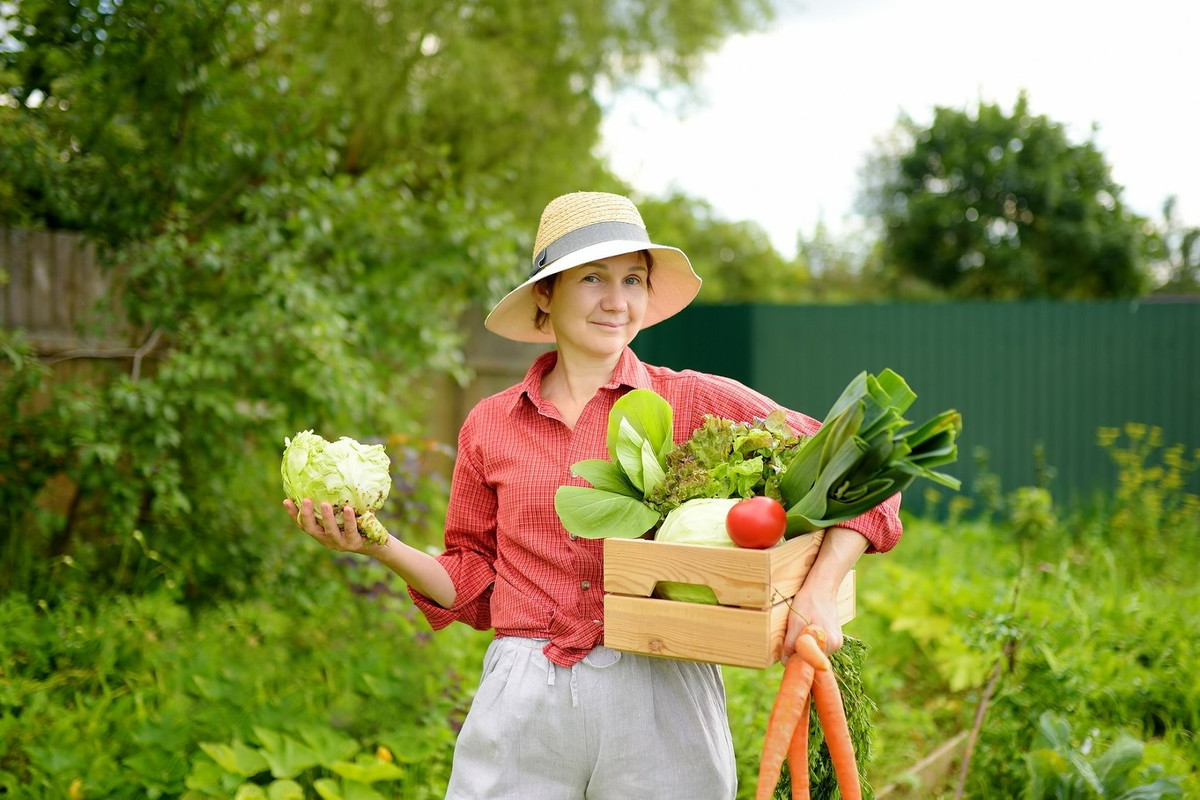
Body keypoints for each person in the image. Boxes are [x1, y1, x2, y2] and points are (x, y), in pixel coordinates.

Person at [284, 191, 902, 799]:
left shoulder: (691, 401)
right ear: (546, 295)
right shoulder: (490, 423)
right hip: (524, 691)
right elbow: (473, 585)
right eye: (593, 279)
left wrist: (819, 591)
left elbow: (871, 466)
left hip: (663, 681)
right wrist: (379, 545)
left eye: (633, 279)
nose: (617, 301)